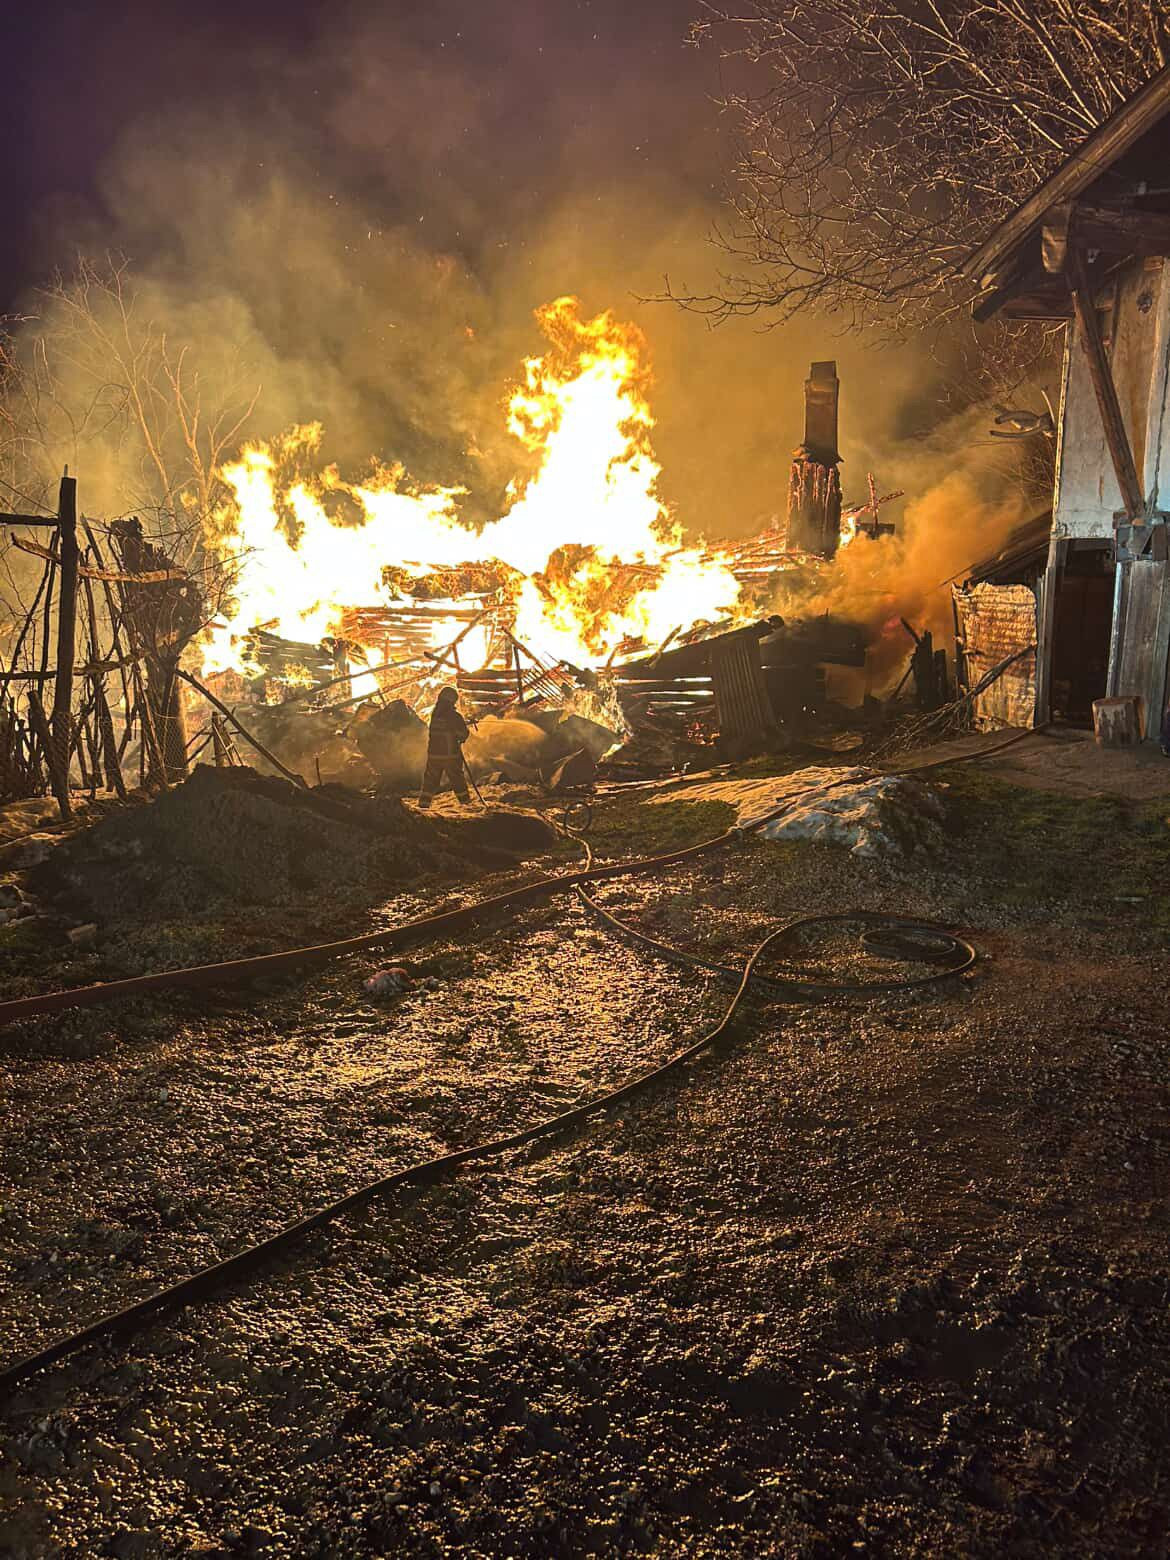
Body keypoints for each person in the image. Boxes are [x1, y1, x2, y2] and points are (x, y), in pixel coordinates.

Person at [419, 685, 471, 807]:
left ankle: (423, 806)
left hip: (434, 755)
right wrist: (464, 727)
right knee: (457, 780)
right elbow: (462, 735)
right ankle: (466, 804)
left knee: (430, 782)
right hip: (450, 756)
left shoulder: (435, 715)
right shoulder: (454, 716)